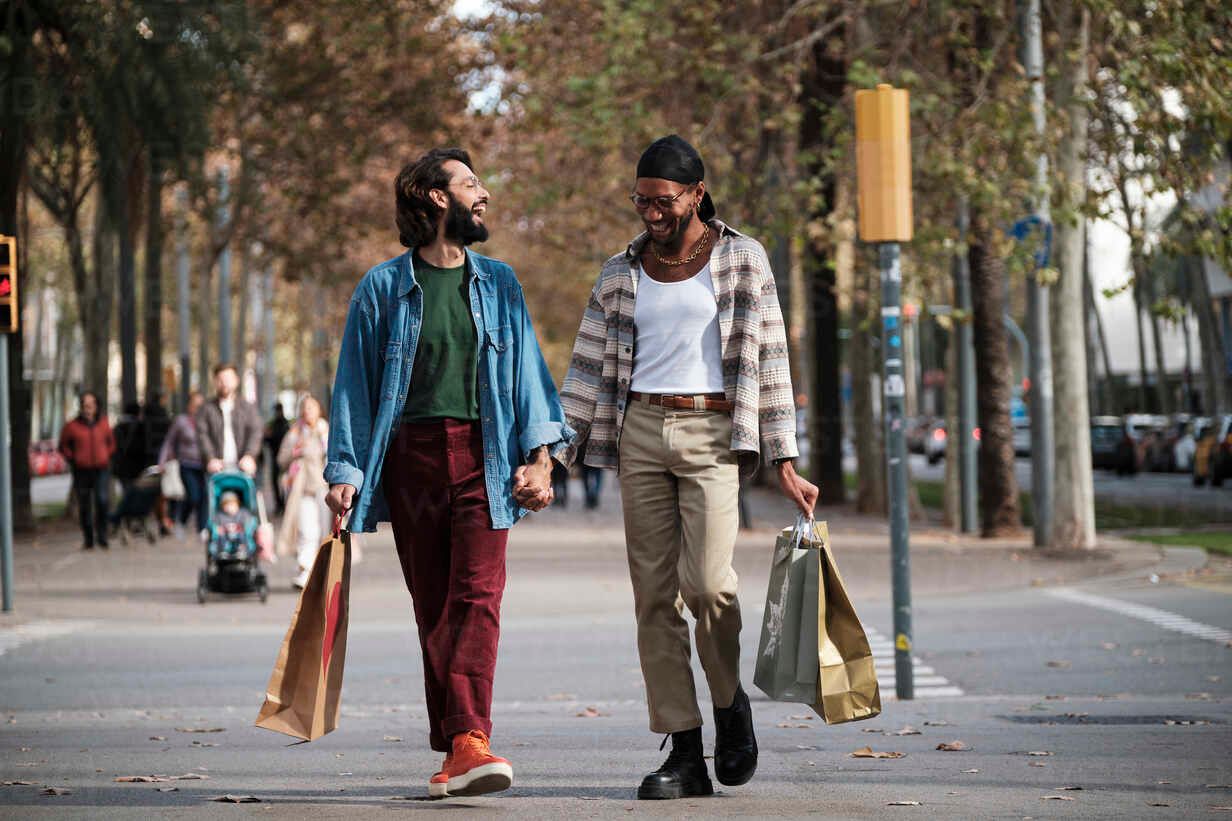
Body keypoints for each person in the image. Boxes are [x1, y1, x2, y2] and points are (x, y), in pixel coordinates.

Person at [552, 135, 818, 800]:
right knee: (654, 599)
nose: (651, 213)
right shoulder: (621, 272)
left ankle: (730, 704)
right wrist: (552, 455)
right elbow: (585, 369)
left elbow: (773, 358)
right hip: (640, 429)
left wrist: (785, 456)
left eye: (663, 200)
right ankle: (686, 748)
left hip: (713, 432)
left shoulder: (742, 258)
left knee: (707, 585)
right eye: (641, 201)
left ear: (697, 194)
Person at [324, 147, 572, 799]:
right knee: (434, 606)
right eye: (471, 183)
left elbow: (528, 380)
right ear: (437, 197)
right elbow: (353, 384)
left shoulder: (501, 284)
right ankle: (462, 744)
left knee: (479, 596)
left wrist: (541, 457)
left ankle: (468, 740)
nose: (483, 193)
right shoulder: (383, 287)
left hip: (485, 455)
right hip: (411, 459)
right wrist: (345, 468)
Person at [276, 395, 330, 589]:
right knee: (307, 530)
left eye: (312, 407)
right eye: (305, 408)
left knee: (325, 531)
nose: (308, 411)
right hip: (302, 489)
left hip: (324, 488)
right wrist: (295, 452)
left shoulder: (326, 431)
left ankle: (321, 572)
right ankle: (305, 570)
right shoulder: (295, 433)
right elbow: (281, 459)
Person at [59, 391, 116, 550]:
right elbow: (63, 445)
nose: (88, 409)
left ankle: (103, 536)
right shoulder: (72, 426)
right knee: (84, 504)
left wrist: (106, 455)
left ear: (96, 407)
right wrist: (73, 458)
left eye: (90, 405)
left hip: (101, 468)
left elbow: (111, 443)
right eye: (85, 406)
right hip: (81, 470)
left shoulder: (103, 423)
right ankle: (88, 538)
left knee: (102, 500)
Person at [197, 363, 262, 476]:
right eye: (220, 379)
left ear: (236, 380)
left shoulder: (248, 408)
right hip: (217, 468)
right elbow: (202, 435)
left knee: (250, 491)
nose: (224, 383)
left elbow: (255, 432)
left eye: (228, 378)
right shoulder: (207, 409)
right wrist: (210, 458)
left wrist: (250, 455)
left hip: (244, 467)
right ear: (215, 382)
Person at [159, 391, 207, 534]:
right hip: (187, 464)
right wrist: (162, 461)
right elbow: (169, 442)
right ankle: (181, 520)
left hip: (205, 464)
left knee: (204, 496)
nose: (198, 408)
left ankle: (202, 528)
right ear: (189, 406)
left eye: (201, 405)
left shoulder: (206, 422)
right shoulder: (181, 421)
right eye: (195, 405)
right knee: (193, 495)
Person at [264, 402, 291, 515]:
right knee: (275, 483)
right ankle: (279, 504)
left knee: (284, 483)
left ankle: (284, 505)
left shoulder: (285, 424)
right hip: (275, 457)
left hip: (284, 459)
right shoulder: (273, 424)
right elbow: (267, 440)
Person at [213, 490, 256, 556]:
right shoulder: (219, 515)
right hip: (225, 534)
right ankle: (223, 550)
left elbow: (249, 521)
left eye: (232, 505)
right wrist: (218, 529)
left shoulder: (243, 513)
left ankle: (241, 549)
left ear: (237, 505)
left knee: (243, 536)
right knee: (221, 537)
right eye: (227, 506)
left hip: (239, 533)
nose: (230, 508)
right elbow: (215, 525)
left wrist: (244, 527)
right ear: (222, 507)